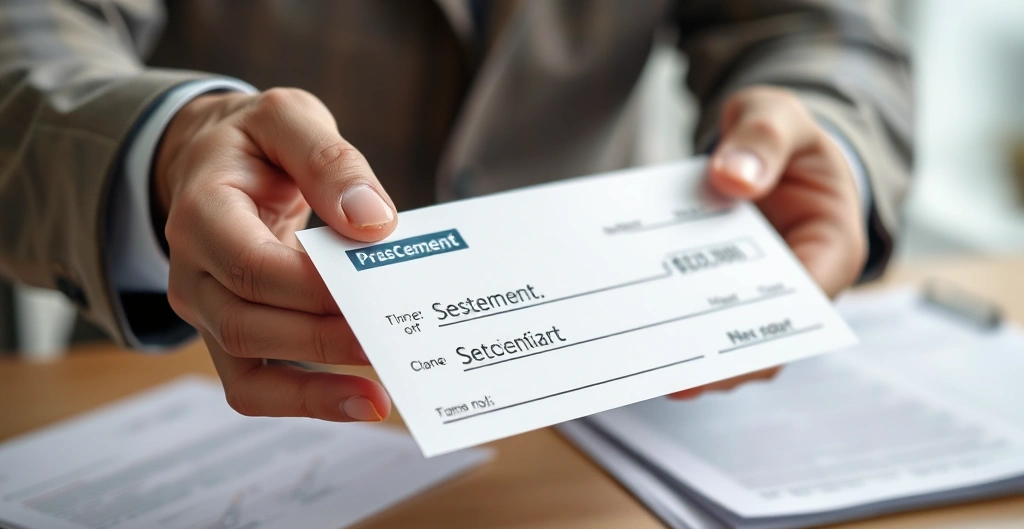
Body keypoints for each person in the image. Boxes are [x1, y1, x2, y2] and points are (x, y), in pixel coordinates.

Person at [0, 0, 911, 422]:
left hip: (618, 396)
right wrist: (168, 144)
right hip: (220, 388)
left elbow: (817, 24)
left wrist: (824, 127)